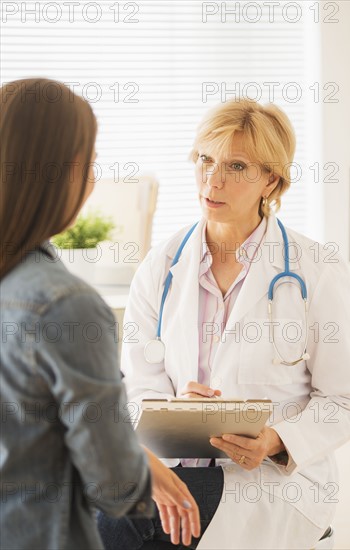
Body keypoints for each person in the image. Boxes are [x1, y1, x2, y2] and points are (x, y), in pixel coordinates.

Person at [98, 98, 350, 550]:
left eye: (236, 165)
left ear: (271, 179)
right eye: (205, 159)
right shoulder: (161, 266)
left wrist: (275, 440)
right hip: (177, 463)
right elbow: (137, 390)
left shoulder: (314, 269)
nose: (213, 179)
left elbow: (347, 402)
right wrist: (173, 411)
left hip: (273, 482)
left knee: (130, 521)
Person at [0, 78, 200, 550]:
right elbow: (114, 488)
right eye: (89, 162)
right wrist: (134, 455)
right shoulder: (65, 304)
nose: (94, 179)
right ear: (61, 172)